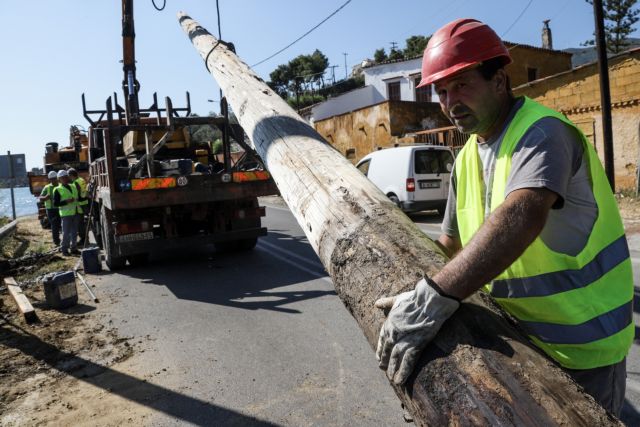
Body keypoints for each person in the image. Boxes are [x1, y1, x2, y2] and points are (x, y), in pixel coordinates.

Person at [375, 18, 633, 416]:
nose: (450, 101)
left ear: (500, 80)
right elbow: (449, 246)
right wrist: (413, 287)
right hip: (517, 344)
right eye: (441, 91)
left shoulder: (542, 133)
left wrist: (433, 298)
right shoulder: (464, 160)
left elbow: (523, 213)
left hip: (584, 346)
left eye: (462, 84)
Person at [53, 169, 79, 256]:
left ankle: (74, 248)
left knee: (74, 232)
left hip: (75, 212)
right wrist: (66, 201)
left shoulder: (73, 186)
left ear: (67, 177)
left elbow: (77, 198)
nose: (64, 179)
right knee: (66, 233)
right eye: (62, 178)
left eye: (65, 177)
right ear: (59, 179)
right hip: (66, 214)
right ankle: (64, 250)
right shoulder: (57, 189)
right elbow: (56, 203)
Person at [39, 171, 61, 246]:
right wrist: (45, 197)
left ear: (57, 178)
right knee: (54, 225)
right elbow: (40, 198)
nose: (53, 180)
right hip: (51, 210)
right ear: (49, 179)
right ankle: (56, 241)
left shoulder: (61, 186)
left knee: (62, 225)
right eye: (52, 179)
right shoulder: (47, 187)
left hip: (61, 208)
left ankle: (64, 241)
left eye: (54, 178)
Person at [68, 168, 88, 246]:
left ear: (71, 175)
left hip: (80, 204)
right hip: (85, 201)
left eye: (69, 176)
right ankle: (85, 238)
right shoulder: (81, 179)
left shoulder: (75, 182)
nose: (69, 177)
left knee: (80, 223)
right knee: (84, 221)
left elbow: (77, 193)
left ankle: (83, 239)